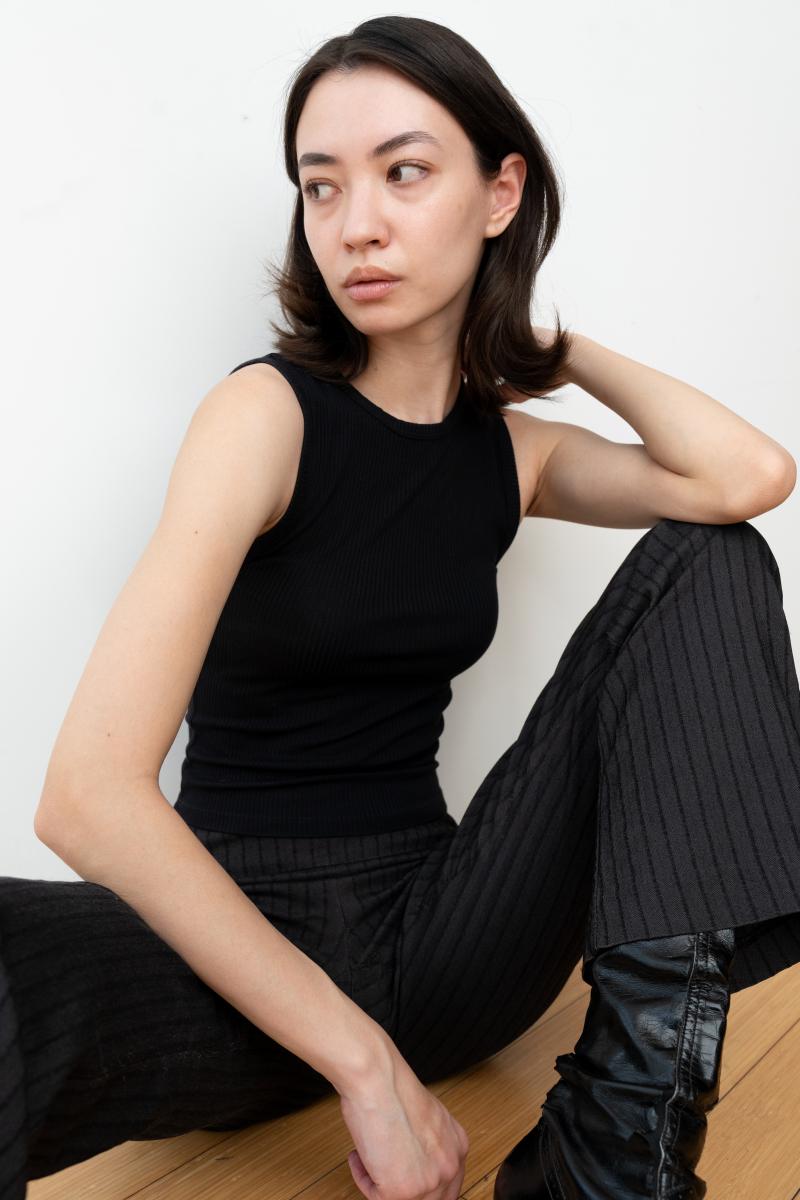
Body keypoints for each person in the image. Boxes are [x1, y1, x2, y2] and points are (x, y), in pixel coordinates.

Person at [3, 14, 798, 1200]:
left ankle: (611, 1156)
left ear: (499, 192)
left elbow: (744, 479)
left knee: (710, 559)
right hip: (233, 955)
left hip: (438, 936)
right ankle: (366, 1061)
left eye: (404, 172)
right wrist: (366, 1068)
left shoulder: (508, 453)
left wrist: (546, 344)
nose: (355, 224)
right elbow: (85, 798)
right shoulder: (264, 417)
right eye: (320, 186)